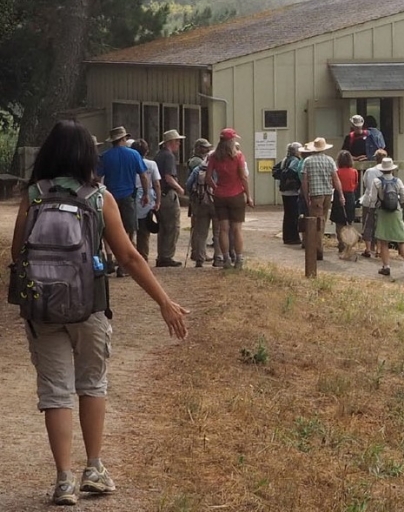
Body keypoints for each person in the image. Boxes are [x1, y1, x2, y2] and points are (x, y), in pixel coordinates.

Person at [11, 120, 188, 505]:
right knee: (91, 384)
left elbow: (16, 255)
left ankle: (63, 480)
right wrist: (164, 302)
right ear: (87, 155)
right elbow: (128, 256)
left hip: (41, 309)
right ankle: (94, 467)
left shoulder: (34, 195)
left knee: (55, 393)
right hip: (88, 305)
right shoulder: (98, 197)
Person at [95, 127, 150, 273]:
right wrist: (146, 194)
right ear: (123, 139)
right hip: (128, 196)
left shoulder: (105, 156)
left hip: (110, 197)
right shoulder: (134, 154)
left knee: (108, 228)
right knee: (128, 229)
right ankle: (123, 264)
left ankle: (109, 258)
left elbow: (97, 178)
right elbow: (143, 176)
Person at [201, 128, 254, 269]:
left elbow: (207, 177)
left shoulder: (214, 157)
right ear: (231, 141)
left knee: (223, 229)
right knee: (237, 229)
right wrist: (248, 196)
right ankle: (239, 259)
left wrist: (216, 187)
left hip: (220, 195)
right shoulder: (238, 156)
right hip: (236, 194)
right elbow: (243, 177)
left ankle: (226, 260)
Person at [362, 158, 404, 277]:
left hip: (383, 212)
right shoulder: (398, 181)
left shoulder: (377, 182)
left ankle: (386, 266)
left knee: (383, 241)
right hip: (396, 212)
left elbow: (372, 199)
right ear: (392, 169)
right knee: (401, 240)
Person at [300, 137, 343, 260]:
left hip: (315, 194)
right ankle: (319, 246)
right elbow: (335, 179)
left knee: (315, 222)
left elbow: (305, 181)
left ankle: (318, 249)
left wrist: (306, 194)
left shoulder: (307, 161)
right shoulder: (330, 160)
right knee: (322, 221)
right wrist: (340, 194)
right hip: (327, 194)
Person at [152, 129, 185, 267]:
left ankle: (162, 255)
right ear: (170, 142)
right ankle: (167, 256)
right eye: (177, 141)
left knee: (163, 226)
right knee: (172, 226)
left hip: (159, 194)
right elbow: (168, 177)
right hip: (167, 194)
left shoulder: (158, 155)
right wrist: (179, 188)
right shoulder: (169, 156)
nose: (179, 144)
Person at [130, 139, 161, 262]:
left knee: (129, 231)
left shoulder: (129, 163)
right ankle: (143, 257)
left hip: (131, 197)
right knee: (144, 232)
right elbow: (157, 184)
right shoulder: (151, 164)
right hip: (146, 199)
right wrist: (158, 201)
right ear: (147, 151)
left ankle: (131, 256)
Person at [185, 138, 214, 267]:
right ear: (198, 148)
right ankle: (197, 252)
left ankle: (197, 253)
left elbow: (188, 184)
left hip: (198, 197)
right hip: (203, 198)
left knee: (198, 227)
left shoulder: (197, 161)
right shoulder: (197, 162)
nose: (207, 149)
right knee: (199, 228)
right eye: (204, 147)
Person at [358, 149, 388, 259]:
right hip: (381, 202)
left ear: (375, 158)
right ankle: (379, 250)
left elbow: (366, 183)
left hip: (369, 201)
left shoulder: (370, 171)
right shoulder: (387, 172)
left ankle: (368, 249)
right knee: (379, 226)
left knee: (367, 224)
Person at [331, 149, 359, 253]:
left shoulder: (337, 172)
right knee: (349, 220)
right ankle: (349, 242)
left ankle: (341, 242)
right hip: (351, 195)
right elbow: (356, 184)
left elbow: (333, 184)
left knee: (339, 222)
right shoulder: (354, 172)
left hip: (339, 195)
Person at [277, 142, 304, 246]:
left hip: (284, 191)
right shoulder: (295, 161)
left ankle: (287, 237)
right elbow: (292, 171)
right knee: (293, 215)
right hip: (293, 191)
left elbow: (276, 170)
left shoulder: (285, 159)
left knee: (287, 215)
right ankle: (293, 237)